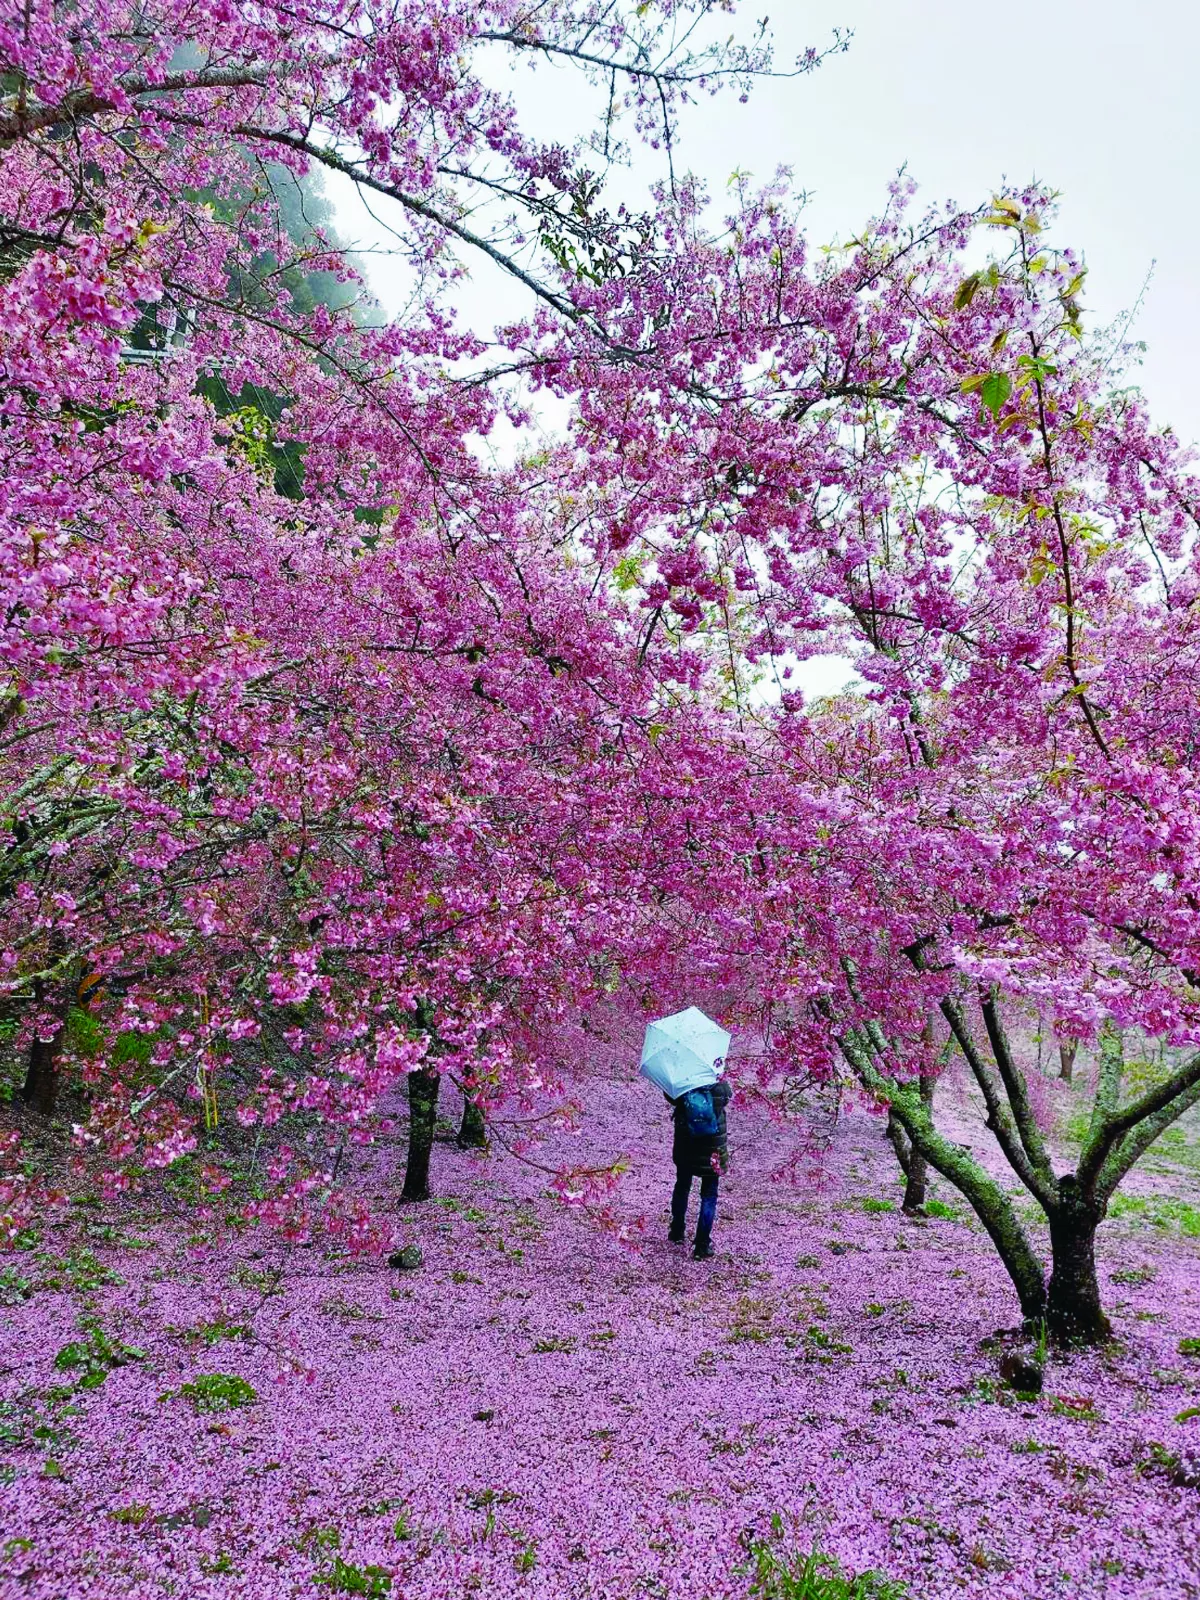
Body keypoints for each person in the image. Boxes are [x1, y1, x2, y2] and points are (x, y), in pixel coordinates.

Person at [666, 1075, 732, 1259]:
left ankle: (677, 1229)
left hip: (687, 1142)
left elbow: (670, 1096)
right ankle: (702, 1244)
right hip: (713, 1148)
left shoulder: (683, 1079)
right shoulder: (719, 1081)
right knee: (709, 1195)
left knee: (682, 1186)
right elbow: (727, 1096)